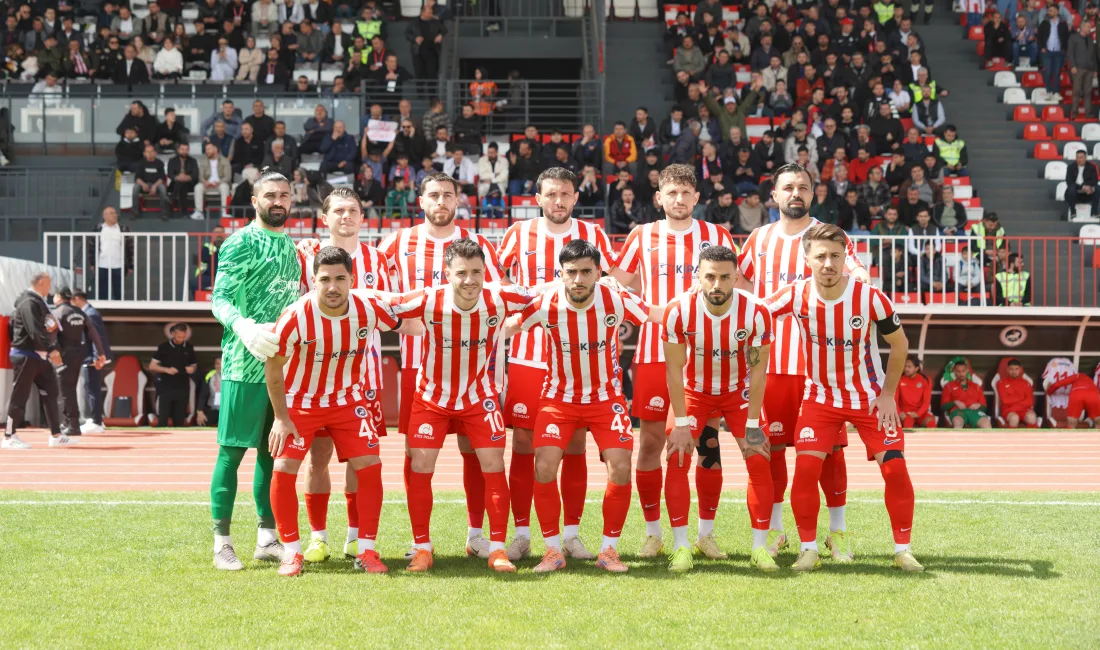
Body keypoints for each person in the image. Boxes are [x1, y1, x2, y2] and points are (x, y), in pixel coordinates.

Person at [767, 223, 922, 572]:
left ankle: (903, 550)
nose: (828, 264)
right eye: (821, 256)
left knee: (895, 469)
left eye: (836, 256)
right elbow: (753, 311)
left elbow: (900, 345)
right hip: (820, 399)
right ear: (807, 259)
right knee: (806, 470)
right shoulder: (795, 294)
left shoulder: (870, 297)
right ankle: (808, 549)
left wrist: (888, 394)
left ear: (845, 258)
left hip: (869, 398)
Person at [736, 163, 870, 561]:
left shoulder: (829, 234)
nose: (796, 193)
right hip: (772, 366)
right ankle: (776, 531)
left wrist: (858, 277)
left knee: (831, 453)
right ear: (775, 195)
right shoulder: (759, 239)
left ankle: (837, 532)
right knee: (772, 449)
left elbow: (856, 272)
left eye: (804, 188)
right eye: (789, 187)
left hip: (822, 368)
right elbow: (741, 288)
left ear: (813, 194)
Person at [384, 238, 539, 574]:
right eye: (462, 273)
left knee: (493, 466)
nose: (470, 280)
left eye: (476, 272)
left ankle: (497, 549)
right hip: (432, 398)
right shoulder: (428, 299)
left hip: (479, 397)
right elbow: (382, 302)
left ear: (485, 272)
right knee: (420, 466)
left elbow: (542, 294)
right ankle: (422, 548)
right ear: (447, 274)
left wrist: (604, 286)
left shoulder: (500, 297)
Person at [609, 164, 734, 560]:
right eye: (671, 193)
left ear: (697, 197)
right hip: (653, 354)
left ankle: (705, 534)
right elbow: (614, 285)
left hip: (706, 355)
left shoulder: (717, 235)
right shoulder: (641, 235)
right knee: (650, 444)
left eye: (686, 193)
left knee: (707, 443)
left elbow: (736, 287)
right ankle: (653, 534)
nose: (679, 199)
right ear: (659, 197)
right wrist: (649, 312)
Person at [377, 173, 505, 559]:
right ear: (421, 201)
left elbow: (497, 294)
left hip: (471, 368)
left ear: (458, 200)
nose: (441, 202)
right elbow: (373, 287)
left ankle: (476, 534)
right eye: (433, 195)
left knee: (475, 452)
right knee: (416, 454)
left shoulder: (477, 243)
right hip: (418, 368)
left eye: (448, 195)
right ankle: (419, 541)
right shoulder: (398, 242)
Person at [265, 246, 413, 576]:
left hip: (349, 401)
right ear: (313, 280)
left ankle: (366, 549)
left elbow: (409, 324)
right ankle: (292, 552)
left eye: (340, 279)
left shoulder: (368, 308)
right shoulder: (296, 316)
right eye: (325, 279)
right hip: (302, 402)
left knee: (370, 465)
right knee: (284, 466)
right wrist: (280, 417)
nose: (333, 287)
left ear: (352, 280)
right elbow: (273, 369)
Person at [519, 240, 665, 574]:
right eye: (571, 272)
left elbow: (658, 315)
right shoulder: (545, 302)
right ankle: (552, 550)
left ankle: (608, 550)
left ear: (599, 272)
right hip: (558, 399)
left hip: (606, 399)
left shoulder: (616, 298)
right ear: (561, 274)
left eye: (586, 271)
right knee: (543, 466)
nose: (579, 279)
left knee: (620, 467)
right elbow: (509, 324)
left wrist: (698, 306)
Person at [496, 167, 617, 562]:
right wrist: (527, 298)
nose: (558, 201)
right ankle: (522, 534)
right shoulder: (518, 234)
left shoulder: (594, 234)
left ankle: (571, 535)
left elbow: (612, 282)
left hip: (577, 359)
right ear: (538, 198)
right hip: (528, 354)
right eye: (551, 194)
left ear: (576, 197)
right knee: (524, 444)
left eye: (565, 193)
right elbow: (497, 282)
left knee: (575, 444)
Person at [289, 187, 394, 562]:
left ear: (362, 217)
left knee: (359, 460)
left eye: (353, 210)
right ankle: (318, 537)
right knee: (317, 458)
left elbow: (388, 312)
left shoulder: (378, 259)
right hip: (316, 378)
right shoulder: (306, 255)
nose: (346, 216)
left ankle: (355, 537)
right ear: (324, 218)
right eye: (338, 211)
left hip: (364, 377)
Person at [208, 170, 302, 571]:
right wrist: (244, 328)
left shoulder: (291, 246)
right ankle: (221, 543)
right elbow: (220, 299)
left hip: (281, 368)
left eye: (284, 195)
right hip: (243, 365)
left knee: (271, 453)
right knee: (231, 453)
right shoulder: (240, 242)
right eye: (270, 195)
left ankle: (267, 538)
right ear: (254, 199)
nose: (278, 201)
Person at [662, 245, 776, 572]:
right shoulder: (678, 311)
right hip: (695, 392)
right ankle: (682, 546)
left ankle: (760, 548)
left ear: (736, 277)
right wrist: (680, 422)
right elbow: (673, 371)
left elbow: (759, 372)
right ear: (697, 276)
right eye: (710, 276)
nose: (717, 284)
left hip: (738, 392)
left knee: (759, 457)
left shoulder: (756, 312)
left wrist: (752, 424)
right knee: (678, 456)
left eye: (725, 277)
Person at [2, 273, 65, 449]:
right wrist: (51, 349)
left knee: (51, 392)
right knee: (19, 397)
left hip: (40, 356)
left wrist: (53, 348)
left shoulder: (39, 302)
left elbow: (46, 328)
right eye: (49, 284)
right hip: (26, 355)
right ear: (41, 282)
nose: (50, 289)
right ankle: (8, 436)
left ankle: (56, 435)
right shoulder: (29, 302)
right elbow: (34, 330)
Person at [51, 287, 106, 438]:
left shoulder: (57, 312)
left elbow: (50, 334)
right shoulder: (80, 312)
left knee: (65, 390)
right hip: (78, 354)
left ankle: (72, 424)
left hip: (63, 355)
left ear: (59, 297)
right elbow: (93, 333)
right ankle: (68, 422)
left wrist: (52, 351)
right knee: (70, 388)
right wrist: (101, 353)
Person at [71, 291, 112, 434]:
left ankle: (96, 422)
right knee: (90, 388)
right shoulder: (88, 312)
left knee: (92, 389)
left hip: (92, 358)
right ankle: (95, 420)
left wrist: (97, 357)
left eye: (72, 300)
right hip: (89, 356)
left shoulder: (90, 314)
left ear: (77, 299)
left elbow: (96, 337)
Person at [150, 323, 198, 428]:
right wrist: (166, 370)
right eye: (178, 336)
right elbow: (152, 366)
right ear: (173, 334)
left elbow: (194, 366)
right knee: (163, 418)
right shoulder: (163, 347)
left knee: (180, 419)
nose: (181, 339)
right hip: (166, 387)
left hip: (183, 387)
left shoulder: (189, 348)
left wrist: (192, 369)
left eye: (183, 337)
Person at [87, 206, 134, 300]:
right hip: (102, 265)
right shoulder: (98, 228)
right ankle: (104, 308)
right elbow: (91, 246)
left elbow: (130, 247)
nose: (115, 215)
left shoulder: (123, 229)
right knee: (102, 291)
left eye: (115, 213)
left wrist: (130, 265)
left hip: (119, 265)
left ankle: (119, 308)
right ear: (105, 216)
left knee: (119, 292)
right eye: (111, 213)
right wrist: (92, 263)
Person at [942, 360, 992, 429]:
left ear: (967, 371)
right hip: (958, 412)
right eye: (959, 371)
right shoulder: (948, 386)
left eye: (963, 371)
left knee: (986, 424)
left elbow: (984, 408)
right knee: (958, 423)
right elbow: (943, 407)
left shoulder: (976, 386)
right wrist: (955, 402)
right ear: (955, 372)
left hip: (975, 412)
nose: (961, 374)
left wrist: (979, 405)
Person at [896, 356, 936, 429]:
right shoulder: (899, 379)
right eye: (905, 366)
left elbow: (926, 403)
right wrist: (899, 413)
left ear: (916, 368)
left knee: (931, 423)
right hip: (905, 413)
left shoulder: (925, 380)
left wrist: (918, 413)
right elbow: (894, 400)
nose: (906, 369)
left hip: (921, 412)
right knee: (908, 423)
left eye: (909, 367)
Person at [1038, 3, 1069, 97]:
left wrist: (1064, 49)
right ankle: (1048, 91)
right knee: (1047, 72)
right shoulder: (1044, 23)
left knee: (1056, 73)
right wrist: (1042, 47)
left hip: (1059, 52)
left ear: (1056, 12)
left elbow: (1066, 38)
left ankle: (1056, 92)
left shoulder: (1063, 24)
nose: (1049, 12)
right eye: (1048, 10)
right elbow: (1039, 37)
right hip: (1047, 51)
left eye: (1051, 11)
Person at [997, 359, 1038, 428]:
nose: (1014, 372)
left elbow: (1030, 401)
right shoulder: (1001, 383)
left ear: (1020, 370)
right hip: (1009, 411)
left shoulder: (1026, 383)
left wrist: (1014, 402)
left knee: (1032, 417)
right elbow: (1005, 400)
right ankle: (1012, 435)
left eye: (1016, 369)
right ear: (1007, 369)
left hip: (1023, 410)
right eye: (1011, 369)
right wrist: (1021, 398)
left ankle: (1031, 435)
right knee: (1014, 418)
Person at [132, 144, 169, 219]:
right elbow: (137, 178)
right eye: (147, 152)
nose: (149, 154)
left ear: (155, 153)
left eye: (151, 151)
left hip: (156, 184)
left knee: (163, 189)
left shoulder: (159, 163)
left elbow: (162, 178)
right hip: (144, 184)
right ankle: (135, 212)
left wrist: (155, 186)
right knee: (135, 188)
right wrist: (143, 184)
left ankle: (164, 213)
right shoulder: (140, 163)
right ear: (144, 153)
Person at [1065, 149, 1099, 217]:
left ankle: (1094, 212)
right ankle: (1073, 212)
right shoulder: (1070, 167)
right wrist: (1083, 187)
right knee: (1071, 187)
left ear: (1085, 158)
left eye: (1081, 157)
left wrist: (1088, 187)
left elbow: (1094, 180)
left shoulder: (1092, 167)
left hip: (1088, 193)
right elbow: (1069, 181)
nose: (1079, 159)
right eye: (1077, 157)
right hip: (1074, 193)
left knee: (1098, 188)